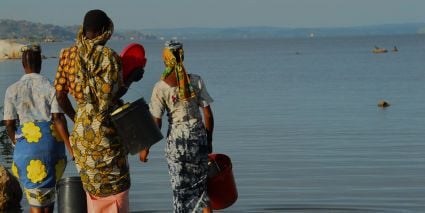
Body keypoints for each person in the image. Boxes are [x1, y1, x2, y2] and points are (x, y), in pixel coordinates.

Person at [54, 9, 143, 212]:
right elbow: (111, 96)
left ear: (84, 30)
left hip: (81, 137)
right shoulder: (109, 58)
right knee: (116, 191)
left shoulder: (67, 55)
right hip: (106, 138)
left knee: (93, 196)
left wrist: (78, 118)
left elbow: (60, 96)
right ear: (105, 30)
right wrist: (131, 78)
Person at [140, 40, 214, 213]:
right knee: (201, 191)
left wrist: (146, 147)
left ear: (166, 59)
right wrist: (208, 141)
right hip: (198, 138)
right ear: (182, 56)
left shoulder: (161, 87)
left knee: (181, 194)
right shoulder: (196, 81)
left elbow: (156, 121)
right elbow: (208, 115)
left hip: (178, 143)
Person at [3, 44, 73, 213]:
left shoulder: (12, 90)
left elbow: (9, 125)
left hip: (25, 147)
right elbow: (58, 118)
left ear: (22, 64)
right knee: (49, 200)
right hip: (50, 147)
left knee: (34, 201)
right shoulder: (51, 87)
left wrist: (18, 143)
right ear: (40, 63)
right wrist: (71, 148)